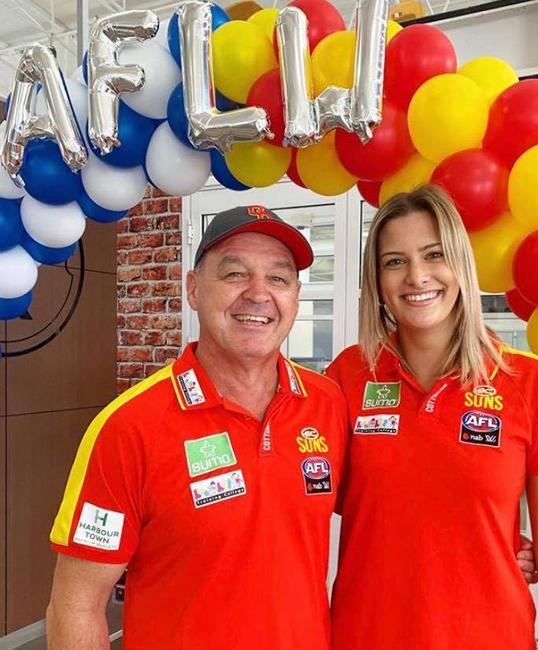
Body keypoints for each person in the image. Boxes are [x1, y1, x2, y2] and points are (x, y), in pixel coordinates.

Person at [46, 205, 349, 649]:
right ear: (192, 289)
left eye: (279, 279)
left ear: (296, 297)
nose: (259, 294)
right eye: (234, 275)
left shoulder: (328, 404)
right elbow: (75, 603)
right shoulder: (128, 427)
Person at [325, 185, 538, 650]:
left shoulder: (529, 383)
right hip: (366, 636)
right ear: (378, 282)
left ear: (461, 265)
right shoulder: (347, 377)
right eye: (395, 261)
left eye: (433, 254)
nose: (417, 276)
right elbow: (298, 502)